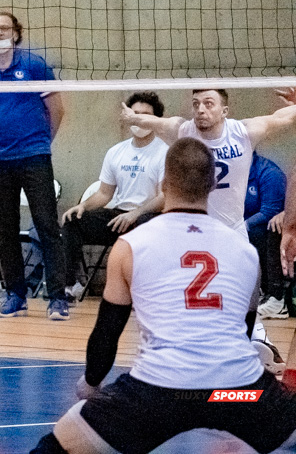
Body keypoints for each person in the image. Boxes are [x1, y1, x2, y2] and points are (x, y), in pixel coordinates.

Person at [28, 138, 296, 454]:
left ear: (164, 184)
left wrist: (91, 384)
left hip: (158, 393)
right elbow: (245, 330)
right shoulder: (245, 250)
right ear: (212, 184)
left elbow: (107, 332)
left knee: (57, 446)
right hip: (235, 394)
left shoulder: (130, 245)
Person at [125, 88, 296, 368]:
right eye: (195, 104)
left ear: (224, 111)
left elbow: (282, 118)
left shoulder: (243, 131)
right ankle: (189, 350)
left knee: (244, 295)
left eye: (208, 103)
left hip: (232, 230)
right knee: (192, 292)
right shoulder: (184, 130)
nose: (200, 109)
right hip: (193, 231)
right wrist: (133, 117)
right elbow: (152, 122)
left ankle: (258, 342)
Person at [0, 11, 70, 320]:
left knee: (47, 226)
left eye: (4, 27)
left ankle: (57, 297)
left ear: (16, 34)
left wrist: (40, 143)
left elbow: (58, 110)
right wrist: (5, 139)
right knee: (6, 229)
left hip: (35, 156)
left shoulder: (35, 66)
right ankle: (15, 295)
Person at [61, 91, 168, 302]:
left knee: (146, 223)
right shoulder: (116, 152)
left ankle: (145, 292)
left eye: (145, 114)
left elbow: (165, 196)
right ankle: (69, 286)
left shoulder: (165, 151)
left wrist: (136, 213)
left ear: (156, 119)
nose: (139, 118)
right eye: (135, 113)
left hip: (149, 218)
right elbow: (104, 193)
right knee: (73, 221)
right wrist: (83, 206)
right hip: (119, 217)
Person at [245, 153, 287, 318]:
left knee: (267, 229)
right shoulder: (229, 174)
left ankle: (276, 299)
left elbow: (269, 210)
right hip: (243, 224)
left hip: (267, 228)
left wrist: (240, 226)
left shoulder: (269, 173)